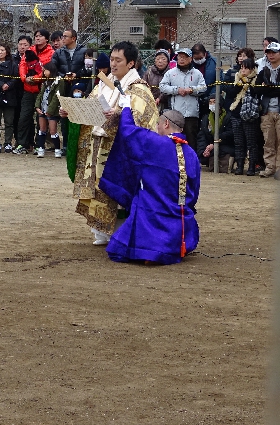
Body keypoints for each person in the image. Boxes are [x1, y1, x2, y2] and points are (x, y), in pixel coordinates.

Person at [61, 41, 159, 246]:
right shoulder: (104, 83)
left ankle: (121, 233)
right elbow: (89, 106)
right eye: (112, 59)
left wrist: (120, 114)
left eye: (118, 60)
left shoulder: (139, 89)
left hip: (119, 150)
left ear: (130, 63)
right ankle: (100, 230)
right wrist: (70, 110)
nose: (113, 64)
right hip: (98, 145)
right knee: (98, 189)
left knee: (116, 189)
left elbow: (143, 120)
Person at [100, 108, 200, 265]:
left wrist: (125, 110)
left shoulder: (155, 143)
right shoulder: (192, 154)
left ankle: (149, 250)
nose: (156, 128)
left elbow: (128, 132)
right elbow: (194, 192)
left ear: (166, 124)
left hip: (152, 216)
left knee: (117, 249)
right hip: (180, 226)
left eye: (158, 124)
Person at [159, 47, 207, 150]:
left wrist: (192, 90)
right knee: (175, 140)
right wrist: (176, 90)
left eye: (184, 57)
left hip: (191, 114)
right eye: (180, 57)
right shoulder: (171, 73)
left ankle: (191, 159)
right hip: (175, 113)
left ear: (190, 59)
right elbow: (162, 87)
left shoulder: (197, 73)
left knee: (191, 141)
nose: (181, 59)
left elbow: (203, 87)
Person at [224, 57, 260, 175]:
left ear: (252, 69)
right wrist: (240, 85)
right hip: (236, 112)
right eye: (242, 67)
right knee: (238, 141)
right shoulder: (237, 78)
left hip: (250, 114)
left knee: (251, 142)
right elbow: (230, 93)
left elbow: (257, 94)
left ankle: (252, 166)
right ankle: (239, 165)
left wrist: (248, 85)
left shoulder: (257, 79)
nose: (243, 70)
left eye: (246, 68)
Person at [252, 41, 280, 177]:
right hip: (267, 111)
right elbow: (257, 89)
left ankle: (279, 169)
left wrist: (268, 88)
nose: (271, 55)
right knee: (268, 142)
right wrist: (272, 89)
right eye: (269, 52)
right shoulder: (263, 71)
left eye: (274, 52)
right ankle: (270, 167)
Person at [197, 94, 234, 172]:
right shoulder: (206, 118)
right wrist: (203, 150)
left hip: (225, 145)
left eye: (214, 102)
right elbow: (202, 136)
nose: (212, 104)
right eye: (210, 102)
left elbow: (230, 134)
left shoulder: (228, 117)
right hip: (210, 146)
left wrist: (215, 143)